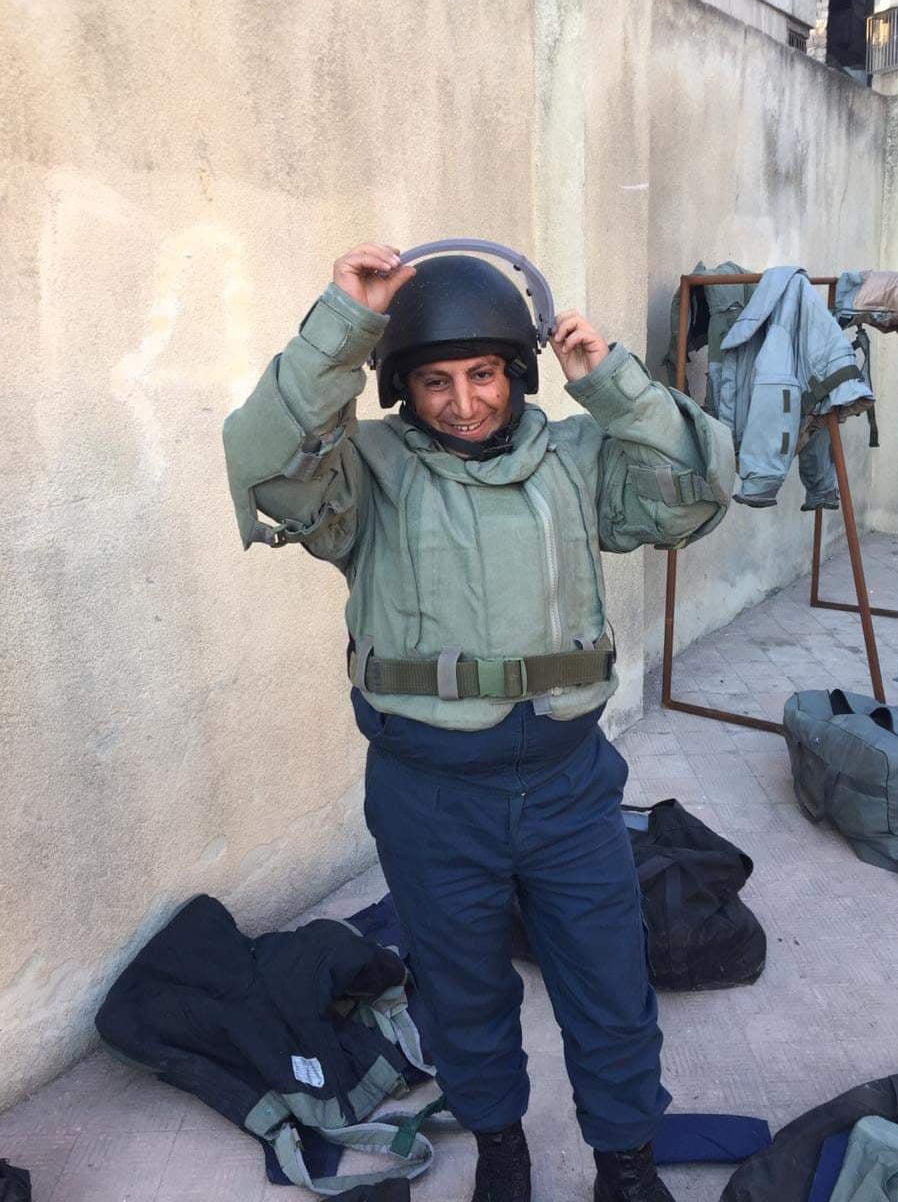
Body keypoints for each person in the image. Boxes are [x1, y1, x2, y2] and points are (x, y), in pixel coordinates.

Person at [222, 241, 735, 1202]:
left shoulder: (577, 458)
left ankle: (625, 1164)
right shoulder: (361, 474)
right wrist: (343, 326)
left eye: (484, 373)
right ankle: (501, 1149)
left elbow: (694, 492)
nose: (464, 402)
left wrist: (615, 386)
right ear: (401, 386)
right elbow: (266, 465)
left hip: (569, 788)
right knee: (461, 995)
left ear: (517, 371)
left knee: (610, 989)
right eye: (436, 380)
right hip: (430, 798)